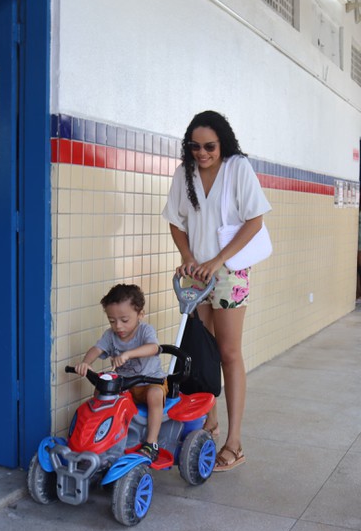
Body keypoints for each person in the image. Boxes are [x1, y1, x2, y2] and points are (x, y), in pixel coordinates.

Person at [161, 110, 270, 472]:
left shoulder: (238, 168)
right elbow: (176, 222)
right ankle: (208, 422)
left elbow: (255, 221)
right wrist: (188, 256)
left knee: (228, 352)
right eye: (195, 146)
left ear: (223, 143)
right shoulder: (184, 173)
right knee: (200, 351)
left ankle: (234, 443)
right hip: (195, 273)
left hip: (229, 272)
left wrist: (217, 260)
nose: (202, 153)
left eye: (209, 146)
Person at [74, 284, 165, 462]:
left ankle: (151, 443)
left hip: (150, 381)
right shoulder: (110, 335)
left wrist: (128, 354)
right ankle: (98, 438)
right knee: (101, 390)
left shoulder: (145, 331)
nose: (118, 326)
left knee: (155, 394)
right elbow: (97, 349)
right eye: (112, 320)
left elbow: (153, 347)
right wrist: (86, 363)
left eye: (124, 320)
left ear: (140, 314)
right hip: (125, 386)